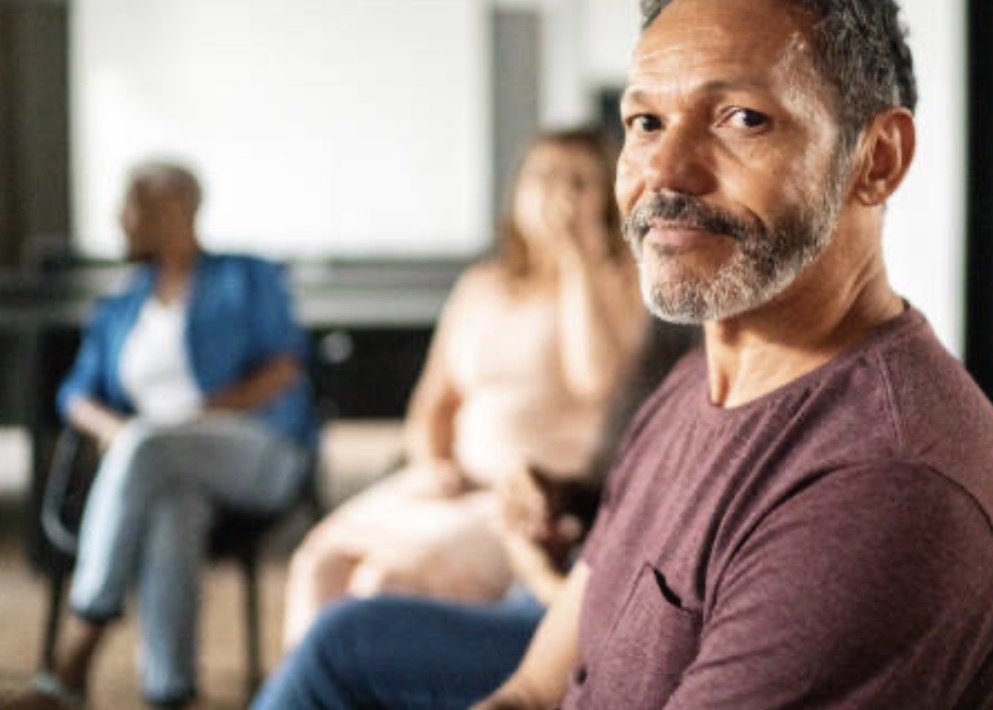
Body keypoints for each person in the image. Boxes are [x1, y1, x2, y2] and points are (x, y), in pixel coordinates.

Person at [476, 0, 993, 710]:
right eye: (645, 122)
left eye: (741, 117)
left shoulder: (884, 487)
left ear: (874, 159)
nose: (664, 172)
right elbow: (538, 688)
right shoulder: (692, 385)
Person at [280, 128, 647, 650]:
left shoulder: (619, 283)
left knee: (384, 586)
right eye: (542, 178)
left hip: (529, 502)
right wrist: (433, 464)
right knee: (319, 563)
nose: (556, 194)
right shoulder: (482, 284)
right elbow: (436, 401)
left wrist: (575, 261)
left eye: (578, 182)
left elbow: (600, 384)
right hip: (452, 484)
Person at [252, 319, 698, 710]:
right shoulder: (677, 345)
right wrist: (562, 497)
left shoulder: (715, 380)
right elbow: (631, 490)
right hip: (563, 577)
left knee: (343, 639)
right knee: (326, 572)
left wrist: (543, 578)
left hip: (572, 619)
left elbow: (639, 624)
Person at [14, 161, 318, 710]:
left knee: (150, 447)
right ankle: (170, 690)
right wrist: (118, 429)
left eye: (133, 206)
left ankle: (77, 649)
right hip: (156, 466)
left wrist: (194, 416)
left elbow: (285, 369)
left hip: (256, 449)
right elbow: (76, 394)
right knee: (172, 506)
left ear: (176, 208)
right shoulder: (121, 306)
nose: (120, 219)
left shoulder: (247, 277)